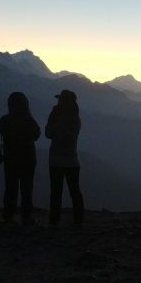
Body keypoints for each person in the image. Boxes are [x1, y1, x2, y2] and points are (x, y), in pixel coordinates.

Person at [0, 92, 40, 225]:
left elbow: (0, 130)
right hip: (28, 160)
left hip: (10, 159)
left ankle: (8, 216)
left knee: (10, 188)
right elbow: (37, 135)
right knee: (26, 189)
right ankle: (26, 217)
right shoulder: (29, 121)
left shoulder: (4, 120)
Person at [45, 89, 85, 228]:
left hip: (56, 160)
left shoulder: (56, 116)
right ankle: (78, 220)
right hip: (72, 161)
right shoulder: (76, 119)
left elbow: (48, 133)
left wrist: (56, 122)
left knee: (56, 192)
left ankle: (54, 221)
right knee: (74, 191)